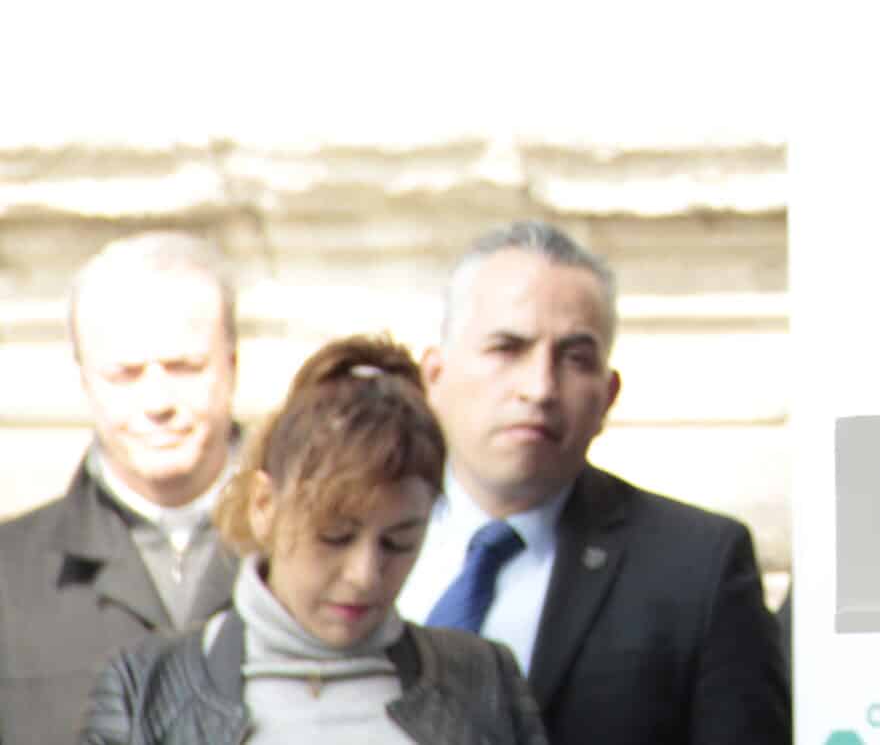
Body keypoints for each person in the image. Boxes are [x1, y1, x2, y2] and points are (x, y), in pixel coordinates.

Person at [400, 221, 788, 745]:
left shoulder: (697, 569)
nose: (539, 388)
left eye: (574, 358)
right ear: (435, 375)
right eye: (507, 349)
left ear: (608, 396)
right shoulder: (345, 542)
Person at [79, 334, 545, 743]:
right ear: (264, 505)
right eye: (335, 537)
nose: (365, 576)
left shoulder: (485, 681)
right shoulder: (144, 687)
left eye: (399, 542)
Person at [0, 233, 244, 743]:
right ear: (85, 381)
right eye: (125, 375)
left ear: (232, 365)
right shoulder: (9, 576)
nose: (157, 401)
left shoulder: (329, 554)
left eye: (184, 368)